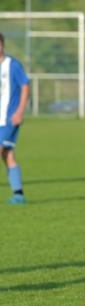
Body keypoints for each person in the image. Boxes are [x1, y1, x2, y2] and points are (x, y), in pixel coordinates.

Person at [0, 33, 30, 204]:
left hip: (9, 119)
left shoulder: (12, 65)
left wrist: (19, 111)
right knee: (7, 154)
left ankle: (18, 195)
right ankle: (18, 194)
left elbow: (25, 86)